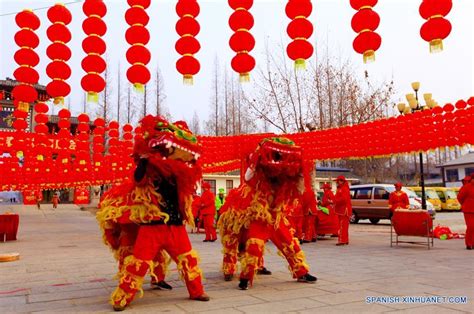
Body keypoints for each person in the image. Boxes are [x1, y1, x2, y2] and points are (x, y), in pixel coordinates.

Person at [97, 116, 209, 311]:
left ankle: (197, 291)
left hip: (175, 226)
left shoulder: (179, 175)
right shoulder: (147, 169)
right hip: (153, 226)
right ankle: (122, 298)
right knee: (138, 264)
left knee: (188, 260)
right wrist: (144, 160)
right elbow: (138, 180)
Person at [218, 137, 317, 290]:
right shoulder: (258, 175)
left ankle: (301, 272)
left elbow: (299, 188)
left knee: (290, 243)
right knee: (251, 245)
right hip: (258, 215)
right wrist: (256, 158)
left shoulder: (286, 179)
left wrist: (301, 172)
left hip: (276, 216)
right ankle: (240, 274)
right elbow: (247, 177)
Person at [334, 176, 351, 246]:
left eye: (338, 181)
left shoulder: (344, 189)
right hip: (342, 209)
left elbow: (343, 199)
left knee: (342, 226)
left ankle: (342, 240)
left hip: (344, 210)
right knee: (344, 226)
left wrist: (335, 201)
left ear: (342, 181)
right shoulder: (341, 188)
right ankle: (345, 240)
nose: (337, 182)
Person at [457, 175, 474, 250]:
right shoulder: (466, 187)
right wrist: (465, 204)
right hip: (469, 210)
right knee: (471, 226)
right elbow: (460, 197)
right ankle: (469, 243)